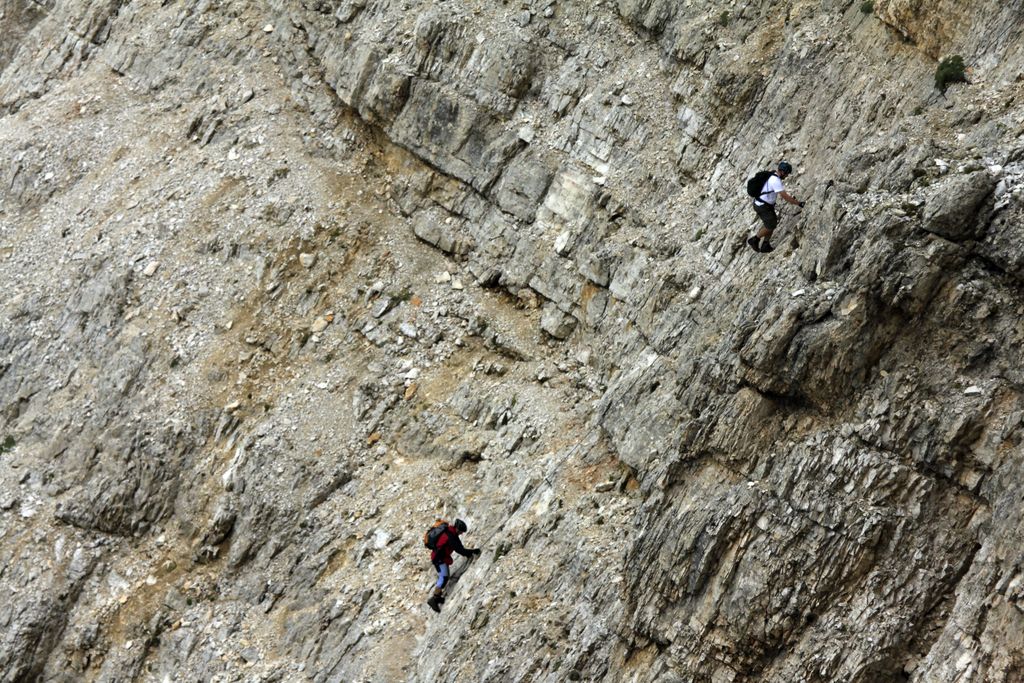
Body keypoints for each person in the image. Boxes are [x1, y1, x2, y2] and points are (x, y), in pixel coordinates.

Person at [747, 161, 805, 253]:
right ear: (783, 172)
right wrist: (798, 203)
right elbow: (785, 196)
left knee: (772, 222)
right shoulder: (775, 181)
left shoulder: (772, 175)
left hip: (763, 204)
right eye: (786, 174)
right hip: (762, 206)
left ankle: (765, 245)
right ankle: (755, 239)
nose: (786, 176)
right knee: (771, 225)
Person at [427, 519, 481, 613]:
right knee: (443, 577)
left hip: (441, 558)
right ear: (457, 528)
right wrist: (472, 551)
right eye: (460, 531)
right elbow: (460, 550)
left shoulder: (452, 534)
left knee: (445, 577)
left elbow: (460, 548)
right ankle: (434, 600)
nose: (461, 533)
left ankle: (437, 597)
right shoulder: (450, 537)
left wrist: (468, 552)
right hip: (438, 559)